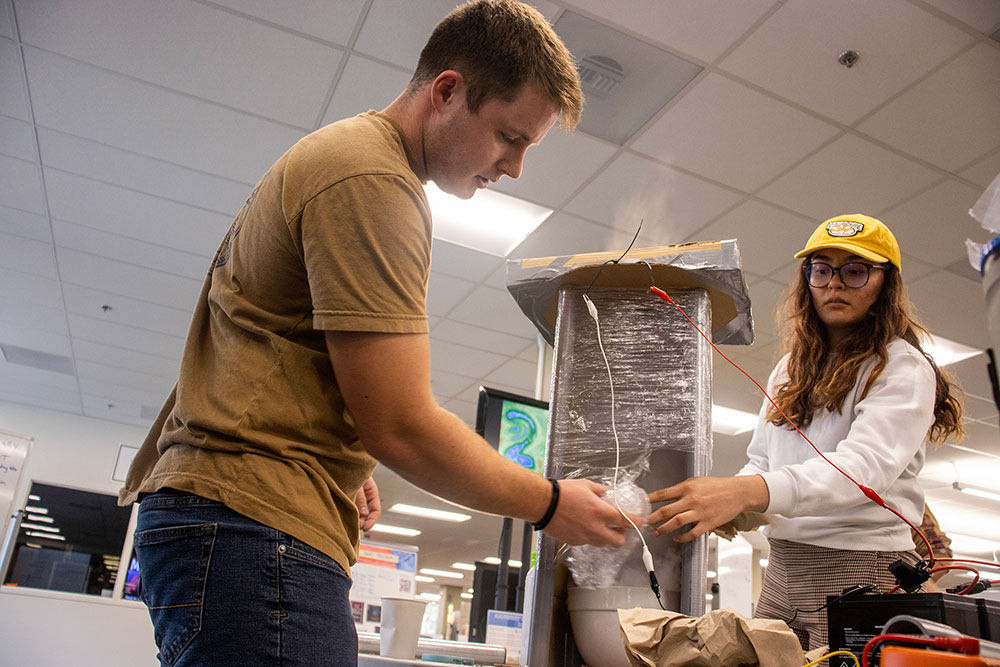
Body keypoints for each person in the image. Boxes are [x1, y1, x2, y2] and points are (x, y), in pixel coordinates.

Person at [118, 2, 629, 664]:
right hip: (252, 526)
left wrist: (339, 447)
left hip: (230, 521)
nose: (514, 167)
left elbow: (274, 348)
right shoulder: (371, 178)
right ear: (447, 91)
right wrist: (551, 501)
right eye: (510, 136)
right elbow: (403, 424)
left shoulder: (342, 158)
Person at [646, 214, 964, 650]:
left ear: (884, 284)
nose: (835, 284)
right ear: (807, 279)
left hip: (863, 571)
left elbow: (862, 470)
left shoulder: (902, 366)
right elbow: (762, 461)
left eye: (854, 271)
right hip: (782, 575)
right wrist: (728, 502)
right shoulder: (788, 370)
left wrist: (746, 493)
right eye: (821, 270)